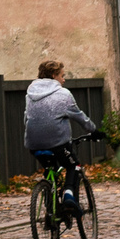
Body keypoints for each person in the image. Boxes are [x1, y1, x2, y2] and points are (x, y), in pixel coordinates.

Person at [23, 60, 97, 227]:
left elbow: (26, 118)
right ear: (54, 75)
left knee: (51, 170)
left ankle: (50, 207)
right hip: (58, 144)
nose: (64, 80)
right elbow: (80, 117)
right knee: (73, 165)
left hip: (33, 144)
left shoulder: (30, 93)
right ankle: (69, 195)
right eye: (62, 76)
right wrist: (94, 130)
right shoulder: (63, 94)